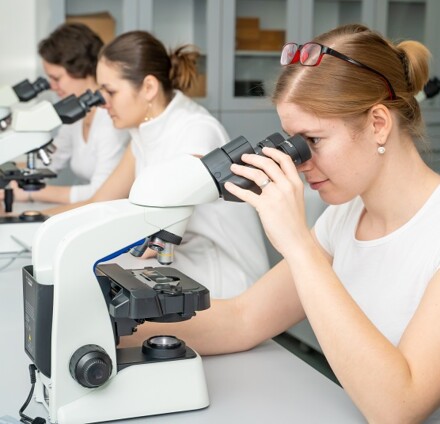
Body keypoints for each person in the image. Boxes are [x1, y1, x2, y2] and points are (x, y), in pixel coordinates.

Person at [120, 23, 440, 423]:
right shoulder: (345, 216)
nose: (300, 162)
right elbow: (243, 318)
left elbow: (398, 408)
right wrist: (109, 328)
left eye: (314, 140)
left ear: (378, 123)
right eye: (294, 141)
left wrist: (298, 244)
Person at [46, 30, 269, 298]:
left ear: (149, 88)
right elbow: (101, 201)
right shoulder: (143, 131)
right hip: (179, 259)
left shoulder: (196, 130)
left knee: (89, 285)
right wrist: (39, 222)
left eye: (110, 91)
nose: (102, 103)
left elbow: (153, 235)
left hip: (224, 274)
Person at [5, 23, 129, 204]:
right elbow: (51, 161)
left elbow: (102, 194)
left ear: (80, 68)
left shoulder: (111, 117)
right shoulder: (76, 114)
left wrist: (30, 193)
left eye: (56, 78)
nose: (52, 86)